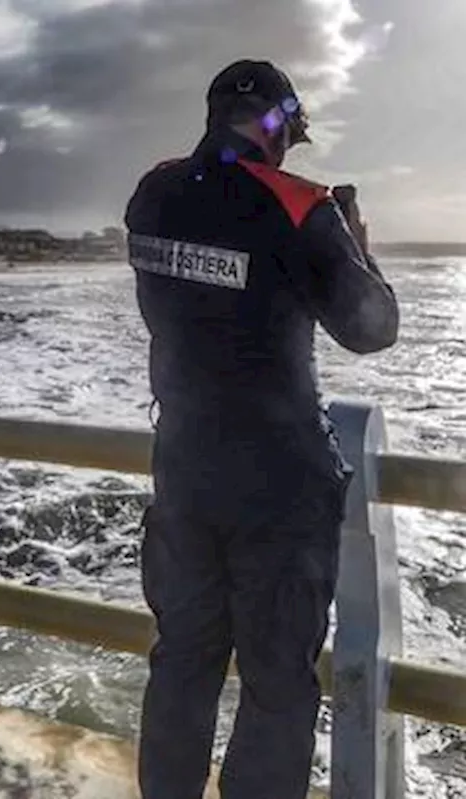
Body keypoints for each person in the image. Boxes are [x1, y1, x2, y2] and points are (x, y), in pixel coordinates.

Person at [124, 59, 400, 799]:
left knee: (182, 663)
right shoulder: (301, 206)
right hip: (278, 489)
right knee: (277, 686)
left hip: (183, 471)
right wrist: (356, 244)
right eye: (289, 133)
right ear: (278, 125)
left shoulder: (152, 193)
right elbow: (372, 328)